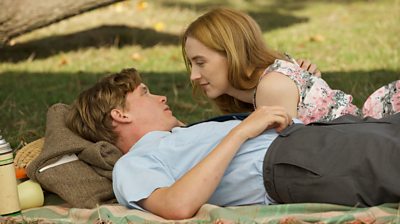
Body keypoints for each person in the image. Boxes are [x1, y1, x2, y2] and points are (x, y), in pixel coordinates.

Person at [66, 68, 400, 220]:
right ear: (120, 115)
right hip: (293, 161)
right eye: (144, 94)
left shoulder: (175, 138)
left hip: (316, 137)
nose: (161, 96)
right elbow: (175, 205)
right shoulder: (133, 164)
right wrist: (242, 131)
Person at [182, 8, 400, 124]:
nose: (193, 76)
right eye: (191, 64)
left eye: (200, 62)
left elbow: (285, 157)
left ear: (232, 54)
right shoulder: (264, 84)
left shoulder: (271, 87)